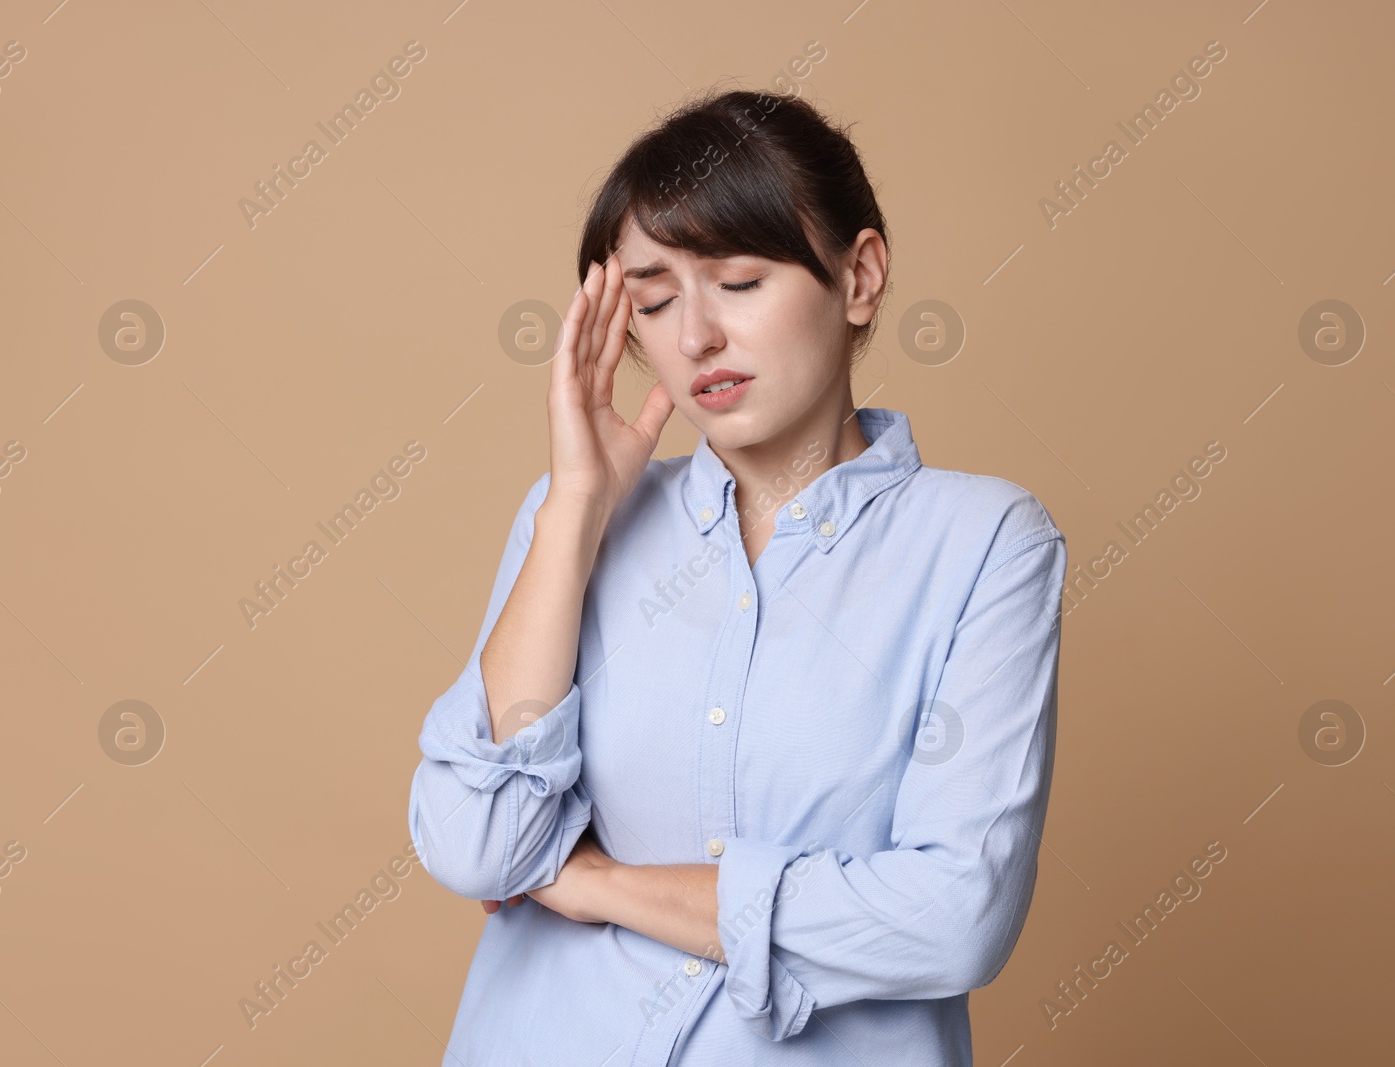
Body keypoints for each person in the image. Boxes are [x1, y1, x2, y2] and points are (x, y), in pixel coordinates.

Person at [407, 85, 1067, 1066]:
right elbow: (474, 841)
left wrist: (592, 883)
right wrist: (576, 510)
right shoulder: (574, 525)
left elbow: (954, 914)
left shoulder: (982, 544)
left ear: (860, 277)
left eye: (739, 282)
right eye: (655, 299)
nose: (694, 338)